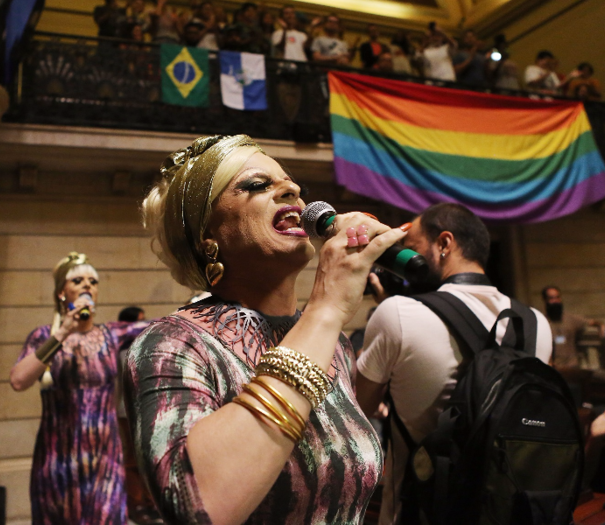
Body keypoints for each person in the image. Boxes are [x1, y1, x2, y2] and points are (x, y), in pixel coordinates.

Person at [125, 134, 409, 524]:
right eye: (257, 185)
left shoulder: (337, 346)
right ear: (207, 234)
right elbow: (198, 505)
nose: (292, 189)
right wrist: (325, 309)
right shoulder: (170, 345)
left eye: (295, 186)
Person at [355, 203, 554, 525]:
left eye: (412, 249)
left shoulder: (397, 314)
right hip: (506, 506)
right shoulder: (536, 323)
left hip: (422, 509)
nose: (408, 262)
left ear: (444, 243)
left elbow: (357, 412)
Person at [9, 252, 149, 524]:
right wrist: (63, 332)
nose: (88, 286)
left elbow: (158, 325)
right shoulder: (44, 336)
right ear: (62, 292)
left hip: (104, 460)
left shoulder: (112, 334)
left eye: (93, 282)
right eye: (78, 280)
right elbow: (18, 380)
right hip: (58, 460)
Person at [542, 285, 604, 368]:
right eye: (551, 298)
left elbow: (593, 322)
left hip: (572, 366)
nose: (555, 301)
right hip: (553, 368)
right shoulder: (542, 322)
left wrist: (601, 326)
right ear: (545, 300)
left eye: (557, 297)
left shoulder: (571, 319)